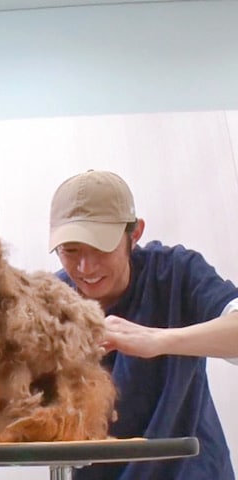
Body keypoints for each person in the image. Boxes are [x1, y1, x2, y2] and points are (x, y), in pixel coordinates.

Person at [48, 170, 238, 480]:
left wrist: (159, 340)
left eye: (101, 248)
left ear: (135, 233)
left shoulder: (176, 273)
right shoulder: (54, 300)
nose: (85, 267)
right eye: (70, 251)